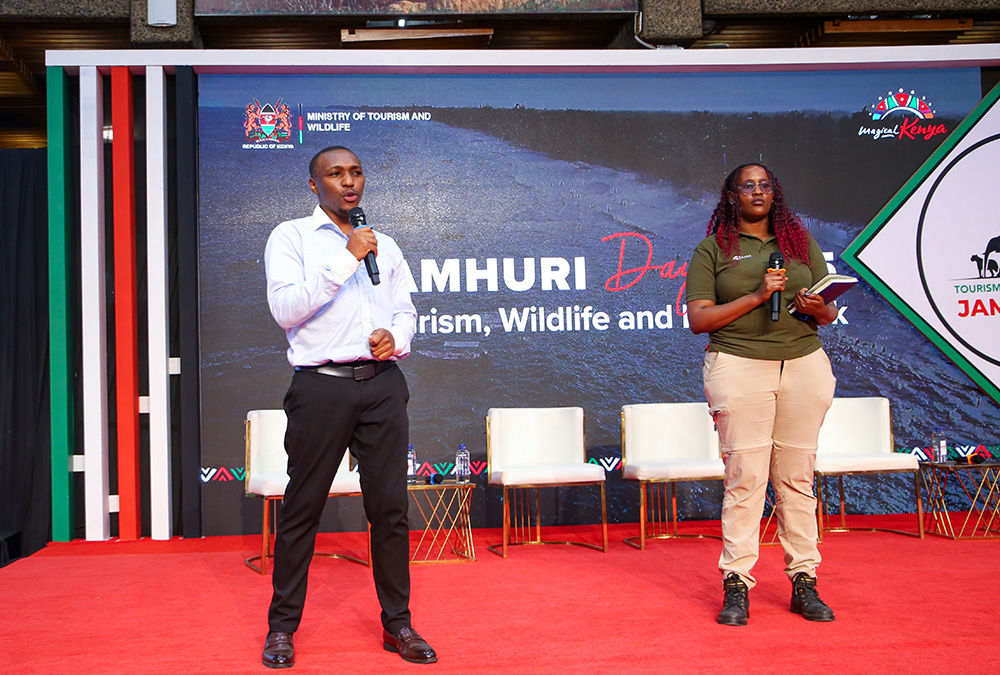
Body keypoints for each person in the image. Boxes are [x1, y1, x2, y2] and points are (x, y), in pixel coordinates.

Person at [261, 146, 436, 667]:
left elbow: (405, 310)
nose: (349, 181)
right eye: (336, 174)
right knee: (302, 509)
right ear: (315, 185)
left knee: (390, 510)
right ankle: (281, 630)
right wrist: (346, 258)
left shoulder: (387, 244)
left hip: (382, 384)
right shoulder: (290, 237)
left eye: (356, 172)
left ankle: (398, 625)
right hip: (321, 386)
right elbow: (285, 310)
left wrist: (396, 337)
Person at [685, 163, 839, 627]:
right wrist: (756, 296)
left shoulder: (798, 243)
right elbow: (699, 320)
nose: (757, 191)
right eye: (747, 186)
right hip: (737, 364)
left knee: (797, 476)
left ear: (775, 193)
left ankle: (804, 582)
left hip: (803, 362)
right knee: (746, 477)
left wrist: (819, 307)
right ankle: (736, 584)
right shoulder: (713, 249)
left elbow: (829, 310)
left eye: (764, 185)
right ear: (731, 196)